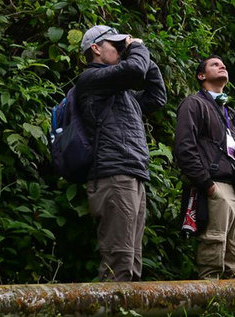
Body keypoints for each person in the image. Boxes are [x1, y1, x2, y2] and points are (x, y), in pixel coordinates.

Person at [76, 25, 167, 281]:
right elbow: (135, 69)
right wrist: (136, 48)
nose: (121, 50)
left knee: (132, 263)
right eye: (115, 46)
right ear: (95, 48)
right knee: (119, 263)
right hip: (114, 175)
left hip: (131, 174)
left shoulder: (121, 93)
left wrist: (141, 52)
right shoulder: (91, 80)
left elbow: (157, 97)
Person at [174, 55, 235, 279]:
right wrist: (206, 184)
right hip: (216, 185)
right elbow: (184, 148)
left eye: (223, 64)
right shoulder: (194, 103)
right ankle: (210, 303)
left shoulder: (230, 113)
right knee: (213, 249)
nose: (222, 66)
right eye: (215, 65)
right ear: (202, 75)